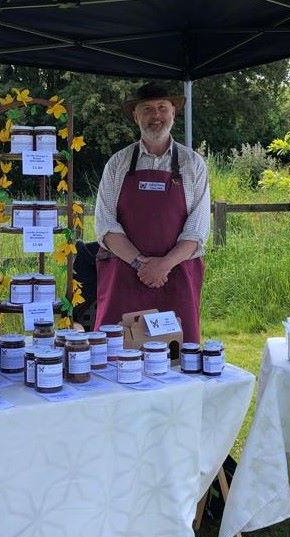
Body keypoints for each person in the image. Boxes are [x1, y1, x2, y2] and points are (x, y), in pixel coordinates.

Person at [93, 82, 210, 343]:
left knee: (179, 355)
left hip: (176, 276)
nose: (156, 115)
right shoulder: (118, 163)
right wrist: (141, 265)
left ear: (173, 113)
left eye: (162, 108)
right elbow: (105, 225)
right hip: (125, 275)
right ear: (136, 116)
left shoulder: (193, 164)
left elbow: (197, 231)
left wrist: (164, 265)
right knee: (118, 352)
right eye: (147, 109)